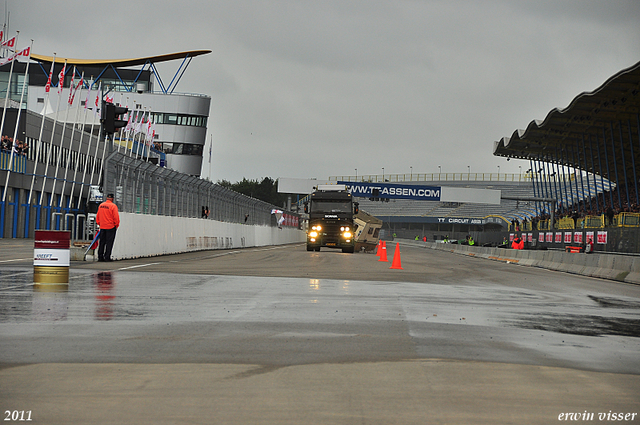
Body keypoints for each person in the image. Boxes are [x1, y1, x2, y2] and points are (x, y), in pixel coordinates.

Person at [96, 193, 120, 262]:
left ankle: (100, 257)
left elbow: (98, 216)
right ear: (112, 199)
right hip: (110, 227)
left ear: (106, 198)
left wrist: (99, 223)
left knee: (102, 242)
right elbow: (116, 217)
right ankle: (107, 257)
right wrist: (116, 225)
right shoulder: (113, 206)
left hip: (102, 227)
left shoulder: (101, 205)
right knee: (109, 243)